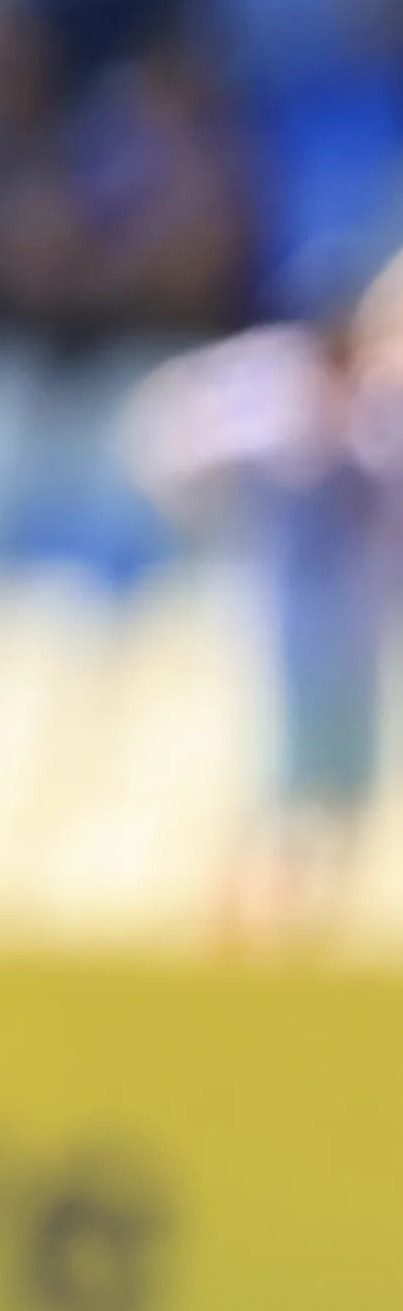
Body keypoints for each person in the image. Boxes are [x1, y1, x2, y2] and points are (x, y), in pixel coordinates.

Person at [125, 246, 399, 939]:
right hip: (282, 633)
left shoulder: (378, 419)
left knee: (343, 799)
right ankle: (239, 928)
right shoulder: (271, 404)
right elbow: (175, 445)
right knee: (272, 796)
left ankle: (311, 932)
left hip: (355, 638)